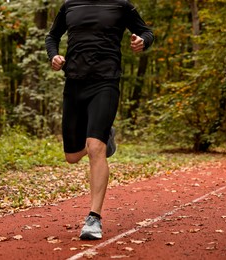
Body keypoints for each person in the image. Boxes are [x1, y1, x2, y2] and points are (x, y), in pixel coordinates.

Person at [45, 0, 154, 240]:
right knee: (72, 157)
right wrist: (54, 56)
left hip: (106, 81)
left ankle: (94, 218)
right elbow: (52, 36)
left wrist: (143, 41)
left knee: (95, 148)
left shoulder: (121, 5)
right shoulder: (69, 6)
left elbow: (146, 31)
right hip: (74, 82)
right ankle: (106, 137)